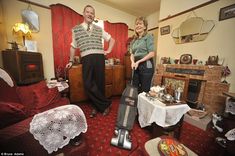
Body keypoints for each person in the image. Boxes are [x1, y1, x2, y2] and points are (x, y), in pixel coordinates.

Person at [66, 5, 115, 118]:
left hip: (99, 57)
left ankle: (97, 107)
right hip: (86, 58)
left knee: (99, 83)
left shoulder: (99, 29)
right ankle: (106, 104)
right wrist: (70, 60)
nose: (90, 14)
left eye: (92, 13)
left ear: (94, 16)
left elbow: (112, 40)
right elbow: (73, 47)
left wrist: (108, 50)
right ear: (83, 13)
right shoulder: (76, 29)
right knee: (88, 84)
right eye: (88, 12)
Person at [130, 16, 155, 93]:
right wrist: (133, 62)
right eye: (136, 24)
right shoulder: (134, 39)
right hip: (136, 65)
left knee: (144, 90)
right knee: (135, 87)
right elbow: (132, 53)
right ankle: (136, 104)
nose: (138, 26)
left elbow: (152, 53)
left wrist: (139, 61)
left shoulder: (149, 37)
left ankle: (143, 105)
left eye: (140, 24)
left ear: (145, 27)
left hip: (146, 65)